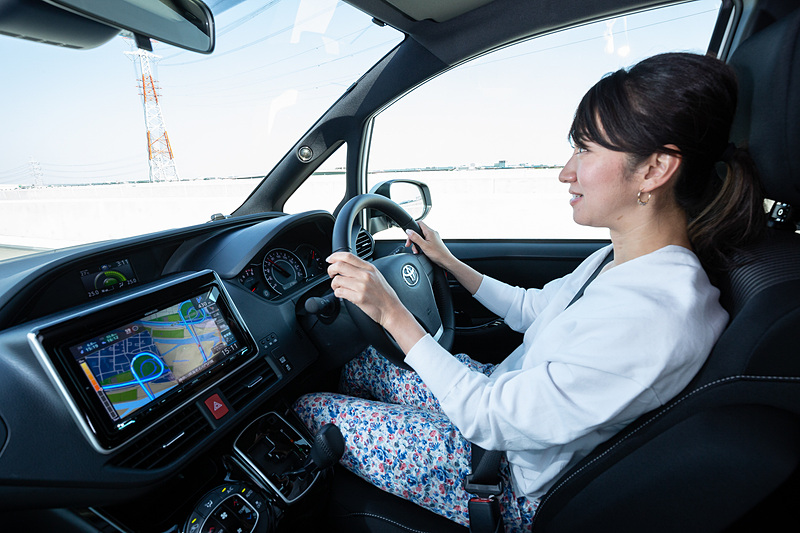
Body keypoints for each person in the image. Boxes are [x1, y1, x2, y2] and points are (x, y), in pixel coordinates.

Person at [293, 52, 765, 531]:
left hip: (503, 475)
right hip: (506, 405)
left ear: (655, 169)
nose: (566, 172)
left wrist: (392, 312)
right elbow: (532, 308)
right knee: (363, 365)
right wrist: (450, 263)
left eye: (586, 150)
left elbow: (489, 419)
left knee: (310, 410)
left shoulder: (654, 316)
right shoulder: (626, 261)